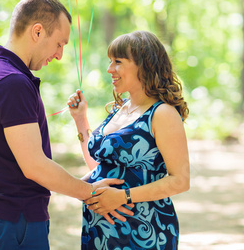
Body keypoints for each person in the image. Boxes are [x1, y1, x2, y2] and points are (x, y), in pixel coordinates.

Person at [0, 0, 132, 250]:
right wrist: (91, 194)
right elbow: (34, 166)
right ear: (37, 32)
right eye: (59, 44)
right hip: (14, 221)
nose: (58, 55)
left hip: (8, 219)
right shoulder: (11, 82)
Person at [67, 30, 190, 249]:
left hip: (143, 230)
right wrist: (80, 119)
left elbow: (180, 180)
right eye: (110, 61)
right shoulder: (120, 109)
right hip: (100, 231)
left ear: (144, 65)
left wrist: (123, 196)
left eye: (118, 62)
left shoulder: (162, 113)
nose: (109, 69)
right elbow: (99, 167)